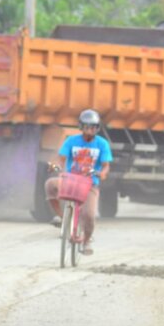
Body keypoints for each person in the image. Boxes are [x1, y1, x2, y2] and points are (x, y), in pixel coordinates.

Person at [43, 109, 113, 256]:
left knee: (89, 215)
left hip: (90, 184)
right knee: (50, 185)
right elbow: (60, 160)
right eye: (87, 126)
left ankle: (86, 240)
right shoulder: (71, 141)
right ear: (81, 126)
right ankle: (62, 218)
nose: (90, 130)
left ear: (97, 128)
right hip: (70, 181)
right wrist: (54, 166)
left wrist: (102, 173)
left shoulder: (102, 144)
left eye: (93, 127)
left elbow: (106, 166)